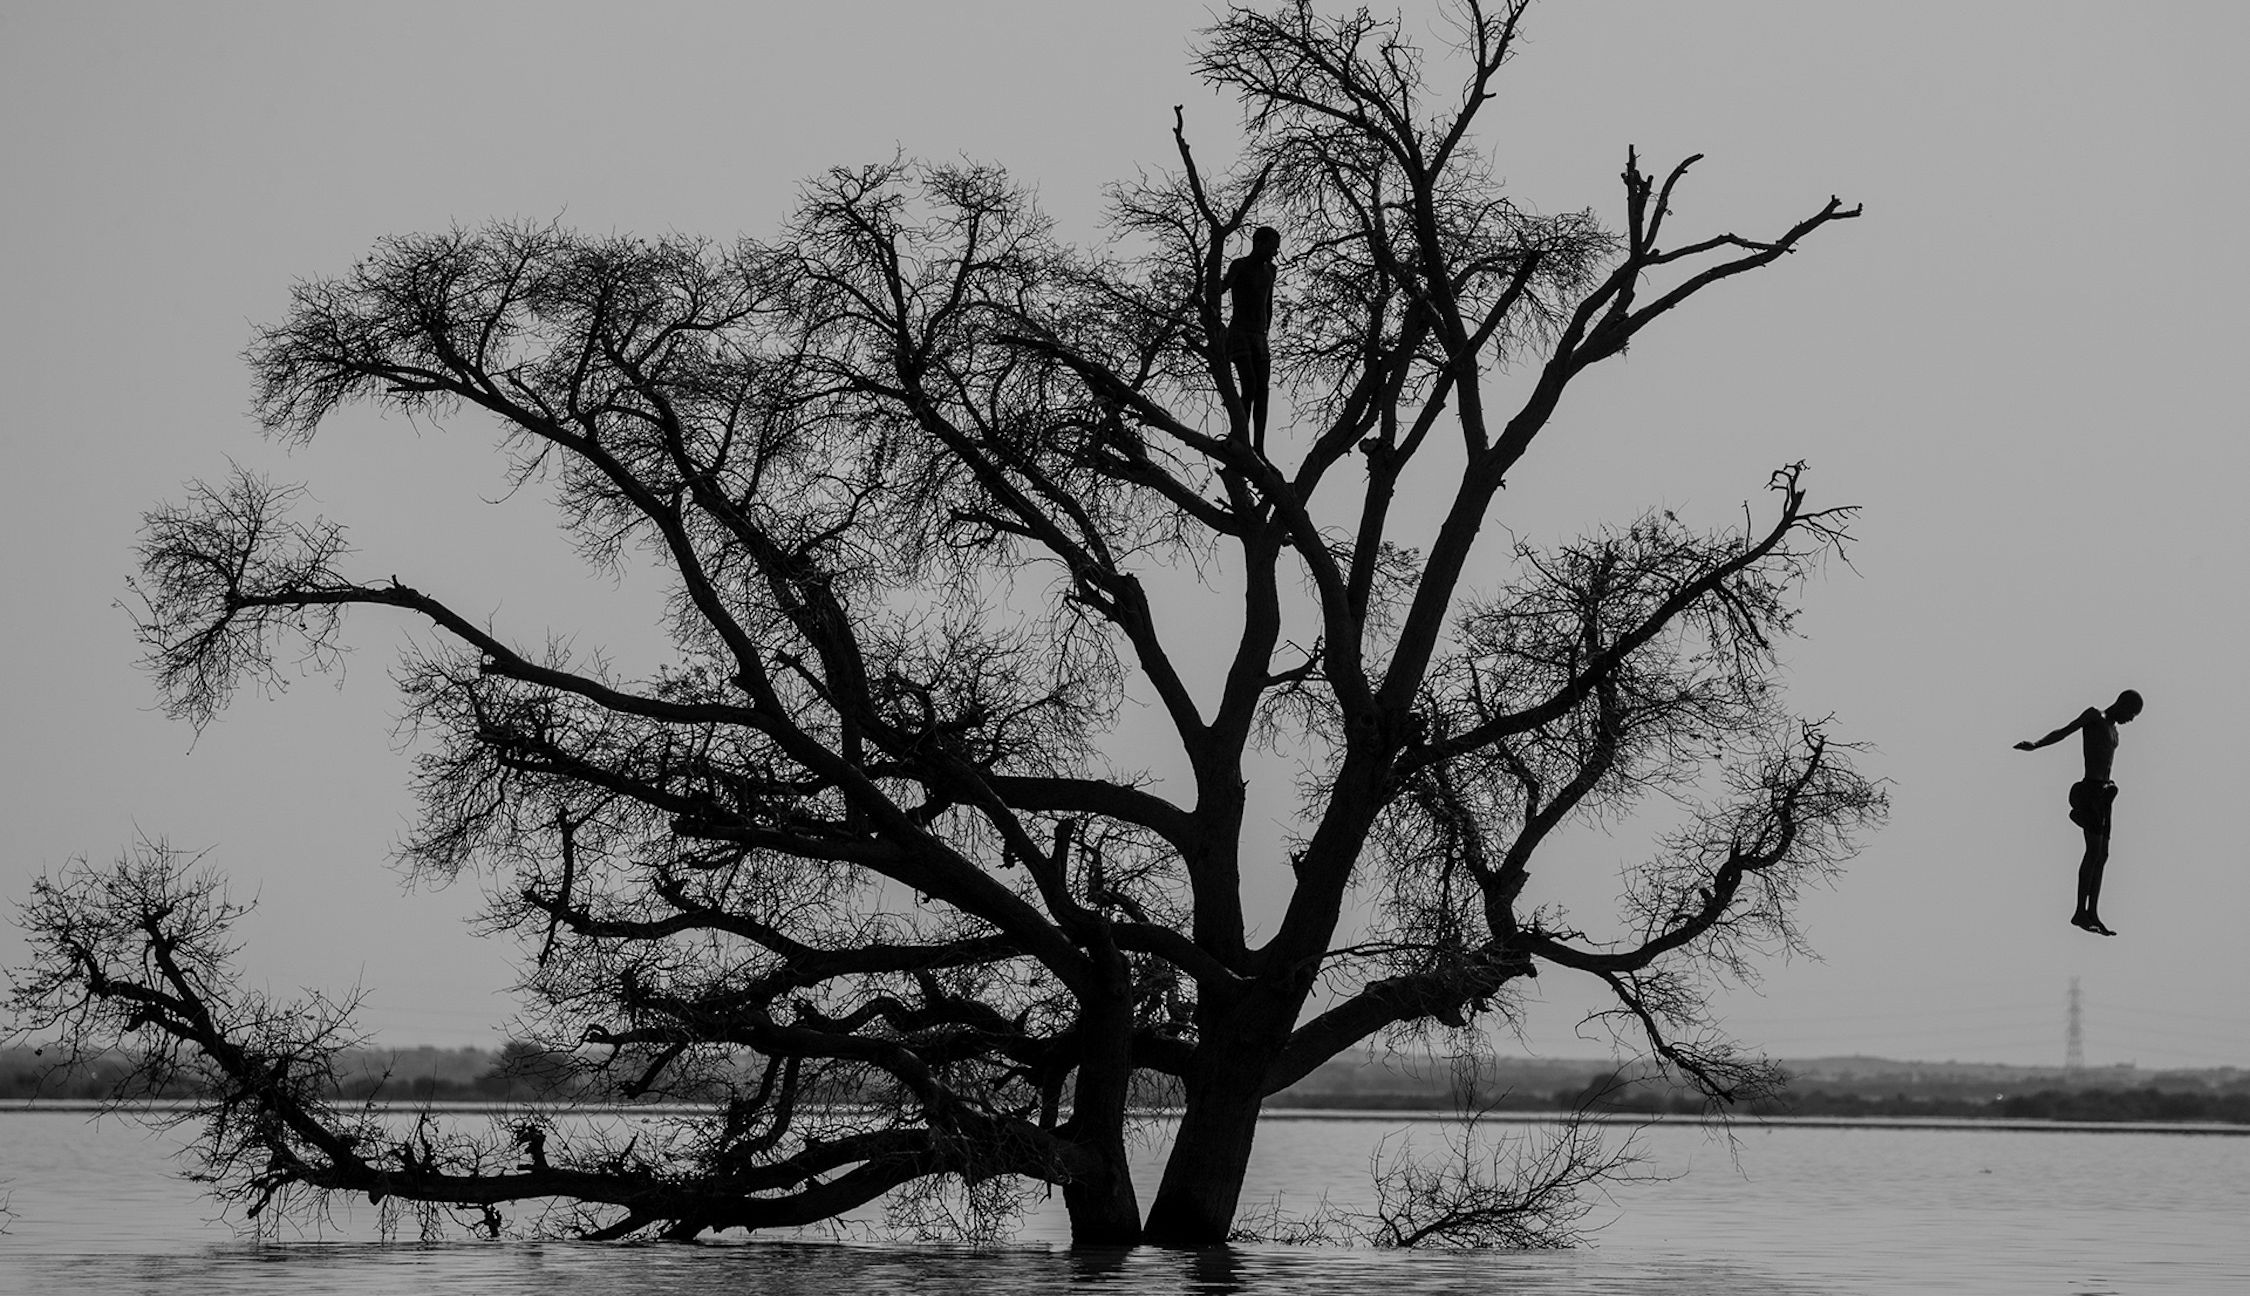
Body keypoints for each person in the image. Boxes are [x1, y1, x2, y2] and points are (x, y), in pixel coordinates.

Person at [2014, 689, 2143, 935]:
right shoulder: (2095, 716)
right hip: (2091, 791)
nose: (2131, 719)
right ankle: (2079, 913)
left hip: (2105, 796)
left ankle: (2092, 912)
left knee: (2103, 855)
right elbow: (2065, 731)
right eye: (2131, 713)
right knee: (2093, 851)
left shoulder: (2115, 731)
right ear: (2121, 703)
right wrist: (2037, 744)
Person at [1222, 225, 1280, 451]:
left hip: (1259, 335)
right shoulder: (1240, 265)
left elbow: (1268, 304)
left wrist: (1266, 330)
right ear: (1259, 244)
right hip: (1239, 331)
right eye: (1272, 247)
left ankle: (1258, 447)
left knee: (1262, 390)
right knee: (1250, 384)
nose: (1275, 252)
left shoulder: (1271, 271)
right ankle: (1240, 436)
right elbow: (1224, 286)